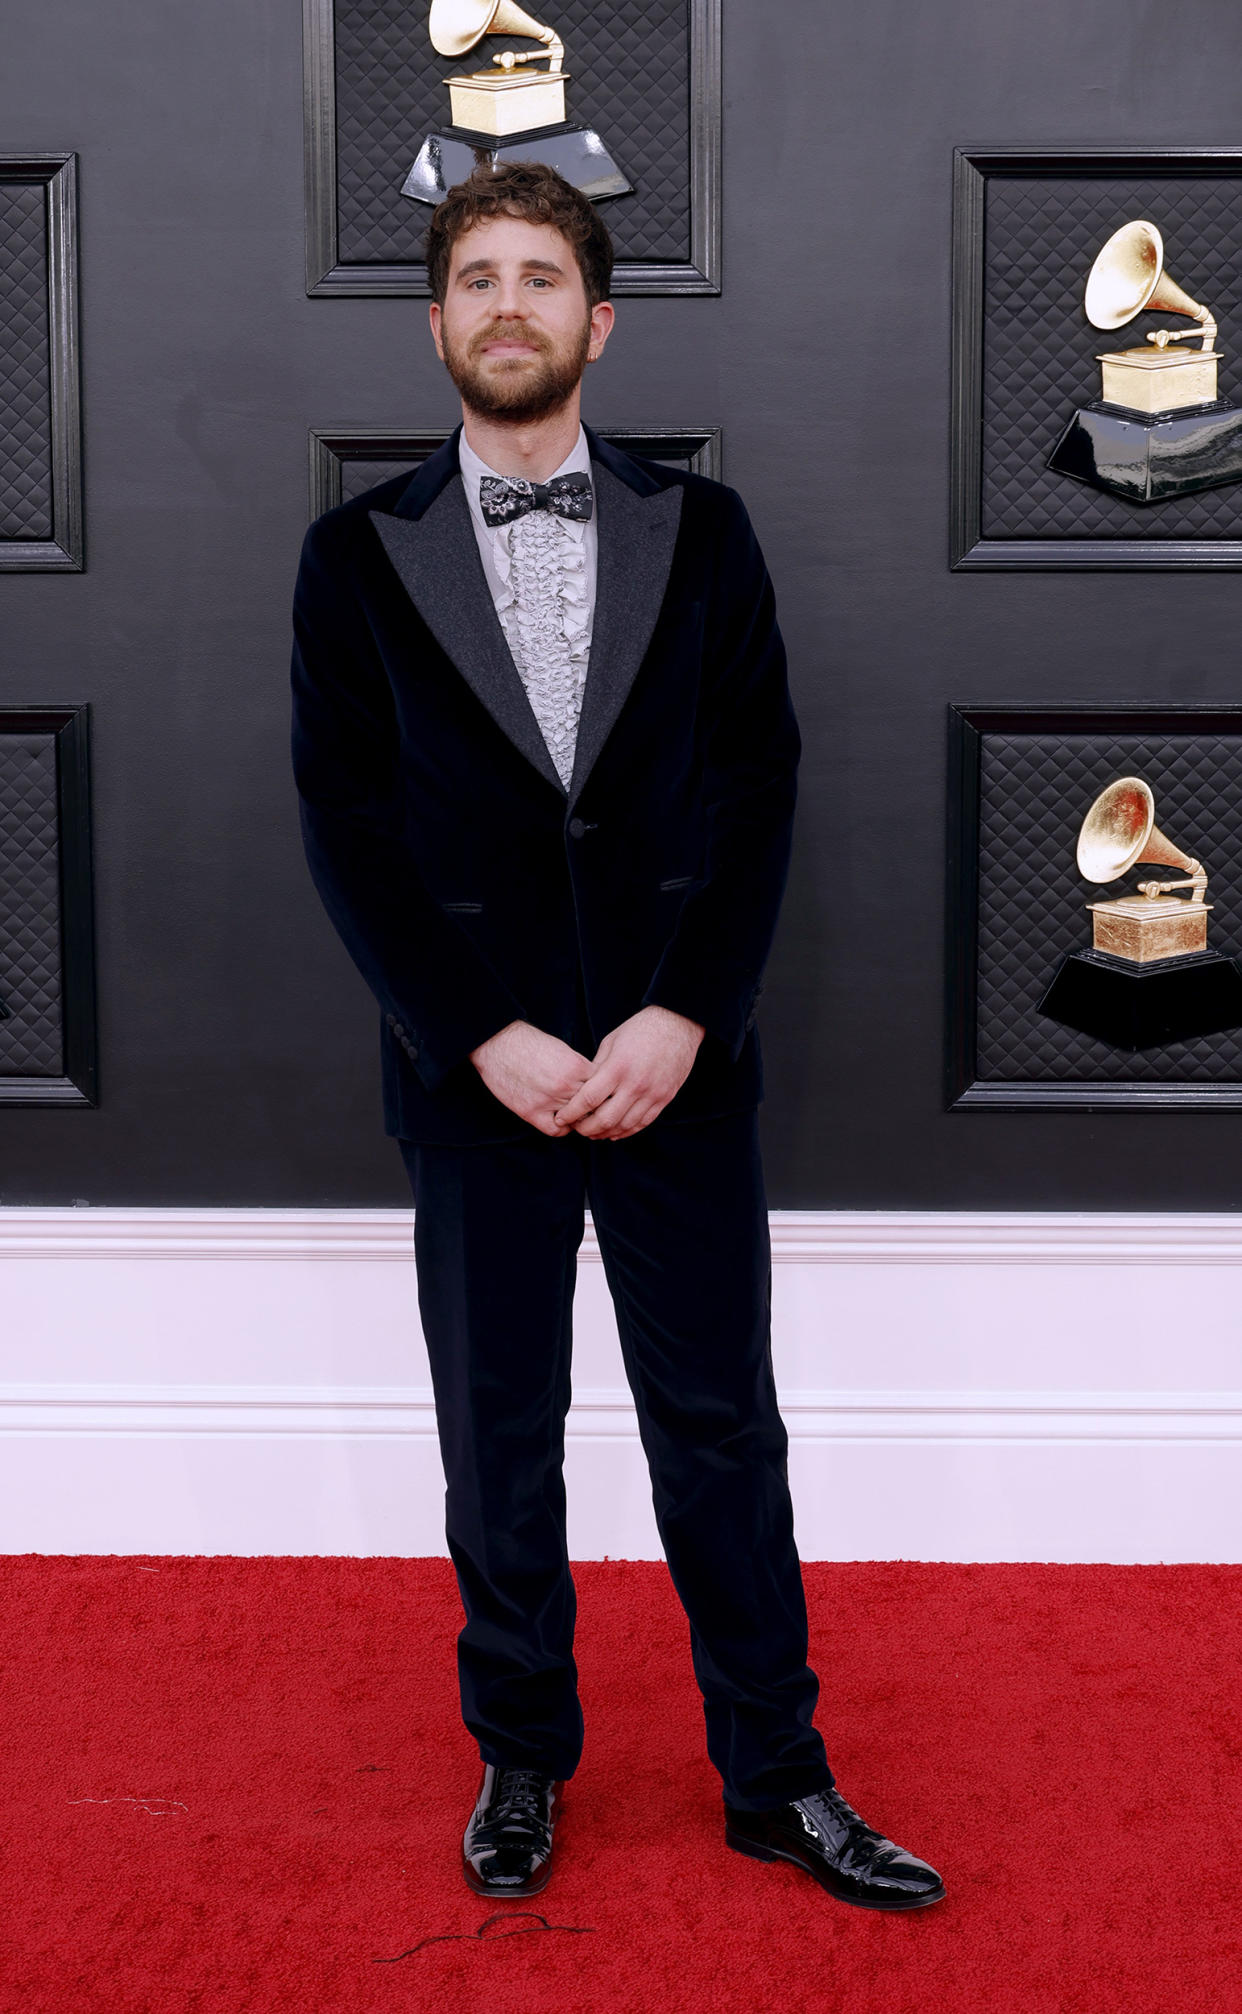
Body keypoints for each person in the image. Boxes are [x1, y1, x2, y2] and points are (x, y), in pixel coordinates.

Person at [290, 161, 944, 1913]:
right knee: (494, 1433)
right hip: (476, 1077)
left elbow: (756, 786)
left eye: (541, 276)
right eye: (477, 279)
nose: (510, 304)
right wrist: (477, 1033)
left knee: (719, 1425)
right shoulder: (351, 557)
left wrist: (681, 1010)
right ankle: (520, 1756)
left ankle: (776, 1776)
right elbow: (346, 824)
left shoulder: (704, 535)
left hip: (679, 1066)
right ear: (437, 323)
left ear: (597, 319)